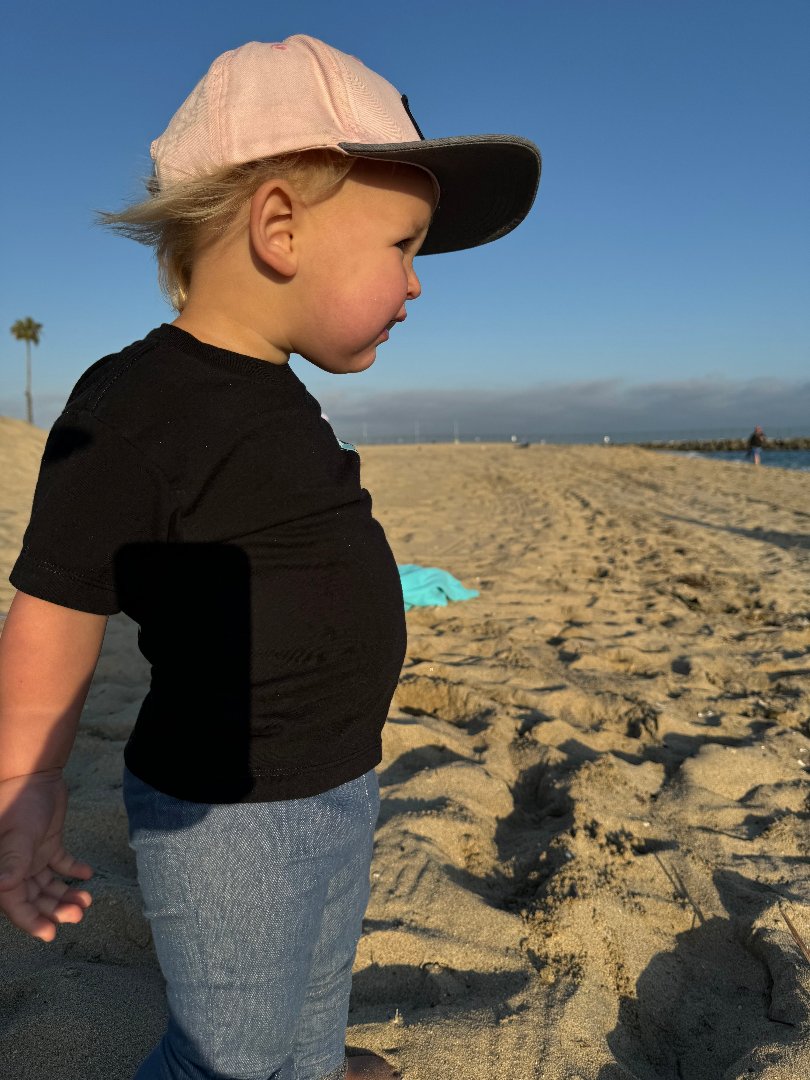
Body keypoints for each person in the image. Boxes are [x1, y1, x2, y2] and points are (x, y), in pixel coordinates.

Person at [0, 35, 540, 1080]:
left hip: (341, 777)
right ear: (280, 226)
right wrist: (27, 777)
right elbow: (55, 607)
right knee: (229, 1051)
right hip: (227, 817)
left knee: (309, 998)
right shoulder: (135, 405)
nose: (417, 285)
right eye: (403, 244)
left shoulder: (278, 396)